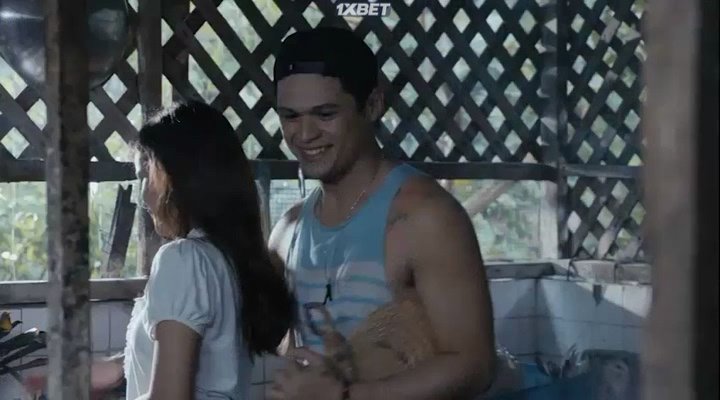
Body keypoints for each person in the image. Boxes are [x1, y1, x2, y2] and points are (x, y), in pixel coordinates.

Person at [267, 27, 496, 400]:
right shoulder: (287, 231)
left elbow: (474, 366)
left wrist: (345, 397)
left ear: (372, 105)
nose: (304, 134)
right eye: (290, 116)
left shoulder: (425, 217)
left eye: (325, 114)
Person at [27, 101, 296, 400]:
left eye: (147, 175)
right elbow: (187, 361)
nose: (144, 195)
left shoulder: (182, 260)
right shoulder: (228, 259)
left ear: (177, 178)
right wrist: (103, 371)